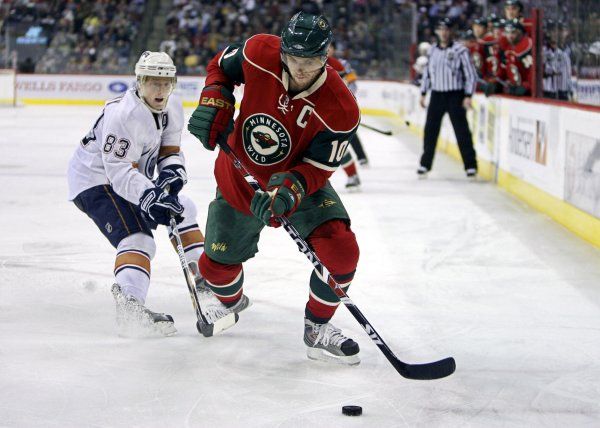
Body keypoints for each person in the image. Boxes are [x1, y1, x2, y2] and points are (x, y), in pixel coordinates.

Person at [187, 12, 362, 365]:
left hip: (298, 186)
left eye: (310, 61)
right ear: (282, 50)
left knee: (342, 252)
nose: (300, 69)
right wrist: (215, 97)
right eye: (294, 58)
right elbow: (220, 66)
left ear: (326, 57)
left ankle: (317, 329)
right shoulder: (258, 52)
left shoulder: (342, 109)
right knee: (215, 270)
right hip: (240, 177)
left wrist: (292, 189)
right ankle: (232, 299)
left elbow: (318, 167)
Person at [67, 51, 207, 336]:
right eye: (153, 82)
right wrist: (150, 196)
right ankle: (130, 307)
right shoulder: (124, 114)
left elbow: (169, 150)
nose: (161, 89)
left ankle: (207, 282)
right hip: (95, 179)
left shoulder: (173, 106)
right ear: (139, 82)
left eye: (166, 82)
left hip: (128, 177)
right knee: (138, 238)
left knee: (184, 209)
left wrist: (171, 174)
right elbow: (117, 171)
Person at [418, 18, 478, 179]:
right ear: (437, 31)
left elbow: (471, 75)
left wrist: (467, 95)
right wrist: (423, 93)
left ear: (451, 31)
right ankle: (425, 164)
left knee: (461, 131)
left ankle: (470, 165)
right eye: (440, 29)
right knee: (430, 131)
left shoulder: (461, 50)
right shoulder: (432, 50)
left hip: (455, 95)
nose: (443, 33)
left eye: (446, 29)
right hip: (437, 94)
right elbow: (427, 74)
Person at [326, 43, 363, 190]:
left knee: (336, 146)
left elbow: (349, 85)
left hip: (332, 113)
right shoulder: (307, 62)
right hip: (313, 112)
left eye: (329, 47)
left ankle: (353, 174)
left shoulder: (339, 65)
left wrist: (346, 103)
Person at [499, 19, 533, 96]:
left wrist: (526, 86)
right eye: (507, 32)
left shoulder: (528, 49)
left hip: (529, 95)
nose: (509, 36)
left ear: (520, 33)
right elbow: (504, 73)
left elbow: (532, 73)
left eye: (513, 32)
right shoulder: (506, 50)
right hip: (514, 92)